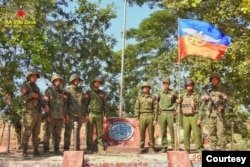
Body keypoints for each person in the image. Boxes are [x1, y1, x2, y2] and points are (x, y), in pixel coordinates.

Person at [20, 70, 48, 159]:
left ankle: (35, 151)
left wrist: (44, 105)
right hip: (30, 112)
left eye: (36, 77)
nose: (35, 78)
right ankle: (24, 152)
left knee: (37, 133)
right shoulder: (25, 86)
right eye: (33, 76)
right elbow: (21, 98)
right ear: (29, 77)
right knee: (27, 132)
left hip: (38, 112)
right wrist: (31, 95)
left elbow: (40, 99)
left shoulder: (36, 87)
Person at [43, 74, 68, 155]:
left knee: (58, 134)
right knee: (48, 134)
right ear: (53, 81)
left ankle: (56, 150)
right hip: (51, 116)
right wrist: (47, 115)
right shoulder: (49, 91)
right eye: (56, 80)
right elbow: (45, 104)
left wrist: (64, 115)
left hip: (60, 117)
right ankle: (46, 150)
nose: (58, 82)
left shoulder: (62, 91)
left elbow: (64, 105)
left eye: (59, 80)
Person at [202, 73, 228, 150]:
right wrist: (205, 97)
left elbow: (227, 101)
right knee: (211, 132)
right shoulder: (208, 89)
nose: (214, 80)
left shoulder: (222, 89)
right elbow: (202, 98)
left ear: (218, 80)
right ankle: (213, 147)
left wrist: (222, 106)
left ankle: (223, 147)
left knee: (221, 132)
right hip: (211, 113)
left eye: (215, 79)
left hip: (219, 113)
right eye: (212, 79)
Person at [84, 78, 107, 154]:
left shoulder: (103, 93)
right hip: (91, 114)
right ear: (93, 83)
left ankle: (100, 148)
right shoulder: (89, 92)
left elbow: (104, 105)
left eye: (99, 82)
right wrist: (85, 115)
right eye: (96, 82)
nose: (97, 84)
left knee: (99, 133)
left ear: (100, 84)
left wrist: (105, 115)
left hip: (100, 114)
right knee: (89, 133)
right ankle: (89, 148)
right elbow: (85, 104)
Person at [180, 79, 203, 153]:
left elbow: (201, 107)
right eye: (187, 86)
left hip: (194, 116)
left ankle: (199, 148)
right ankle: (187, 149)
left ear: (193, 86)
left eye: (190, 86)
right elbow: (180, 106)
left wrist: (199, 118)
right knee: (186, 133)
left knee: (197, 133)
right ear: (185, 87)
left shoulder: (197, 95)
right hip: (185, 117)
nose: (189, 87)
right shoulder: (183, 95)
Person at [134, 82, 157, 154]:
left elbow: (156, 108)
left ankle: (152, 148)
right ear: (142, 89)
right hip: (142, 116)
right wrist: (137, 119)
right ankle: (141, 148)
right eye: (144, 87)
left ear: (149, 89)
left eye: (147, 87)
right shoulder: (139, 98)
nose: (145, 89)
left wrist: (155, 119)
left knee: (151, 133)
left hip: (150, 116)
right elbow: (136, 108)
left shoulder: (153, 97)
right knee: (142, 133)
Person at [64, 73, 84, 151]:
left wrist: (83, 114)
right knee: (68, 132)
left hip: (79, 114)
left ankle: (77, 148)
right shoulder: (67, 90)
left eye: (78, 80)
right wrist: (66, 114)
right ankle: (66, 148)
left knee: (77, 133)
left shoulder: (81, 90)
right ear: (72, 80)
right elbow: (65, 104)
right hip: (70, 114)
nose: (77, 81)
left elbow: (83, 103)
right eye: (75, 80)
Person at [157, 78, 177, 152]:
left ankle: (173, 145)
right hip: (162, 113)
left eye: (167, 83)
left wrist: (177, 109)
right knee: (163, 130)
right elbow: (157, 102)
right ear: (162, 84)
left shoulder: (173, 92)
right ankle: (164, 146)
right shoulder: (160, 93)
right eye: (164, 83)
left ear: (169, 84)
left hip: (171, 113)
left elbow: (178, 101)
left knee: (172, 130)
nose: (165, 85)